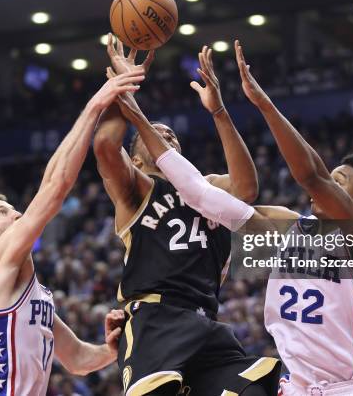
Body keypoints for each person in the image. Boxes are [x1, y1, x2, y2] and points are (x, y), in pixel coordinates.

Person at [112, 40, 353, 395]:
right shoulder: (287, 228)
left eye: (340, 184)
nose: (325, 189)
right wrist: (143, 118)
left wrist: (263, 103)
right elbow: (202, 195)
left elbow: (313, 175)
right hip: (296, 387)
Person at [95, 35, 280, 396]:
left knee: (253, 390)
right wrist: (123, 86)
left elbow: (246, 189)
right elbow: (103, 145)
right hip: (156, 321)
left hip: (206, 324)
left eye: (171, 134)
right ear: (135, 160)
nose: (166, 133)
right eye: (154, 134)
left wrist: (219, 111)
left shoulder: (207, 188)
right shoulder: (138, 191)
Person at [0, 70, 145, 395]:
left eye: (14, 208)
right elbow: (55, 187)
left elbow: (76, 358)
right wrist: (95, 105)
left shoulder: (35, 297)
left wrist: (110, 350)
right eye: (2, 212)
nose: (17, 213)